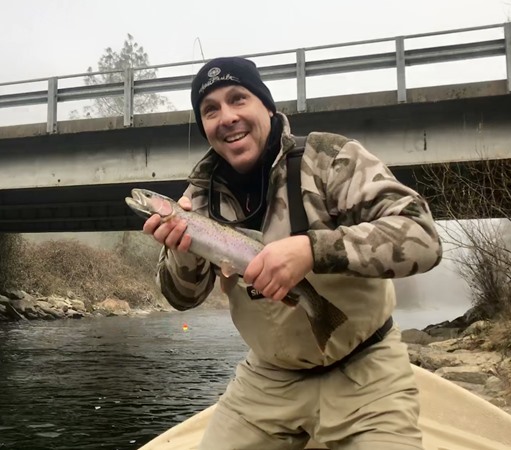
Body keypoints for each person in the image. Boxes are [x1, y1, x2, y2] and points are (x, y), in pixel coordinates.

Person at [143, 56, 442, 450]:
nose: (227, 117)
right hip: (268, 378)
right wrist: (181, 251)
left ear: (266, 105)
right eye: (210, 110)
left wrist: (313, 249)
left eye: (239, 99)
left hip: (367, 370)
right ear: (204, 127)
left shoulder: (329, 158)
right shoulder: (196, 199)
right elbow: (181, 299)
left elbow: (423, 237)